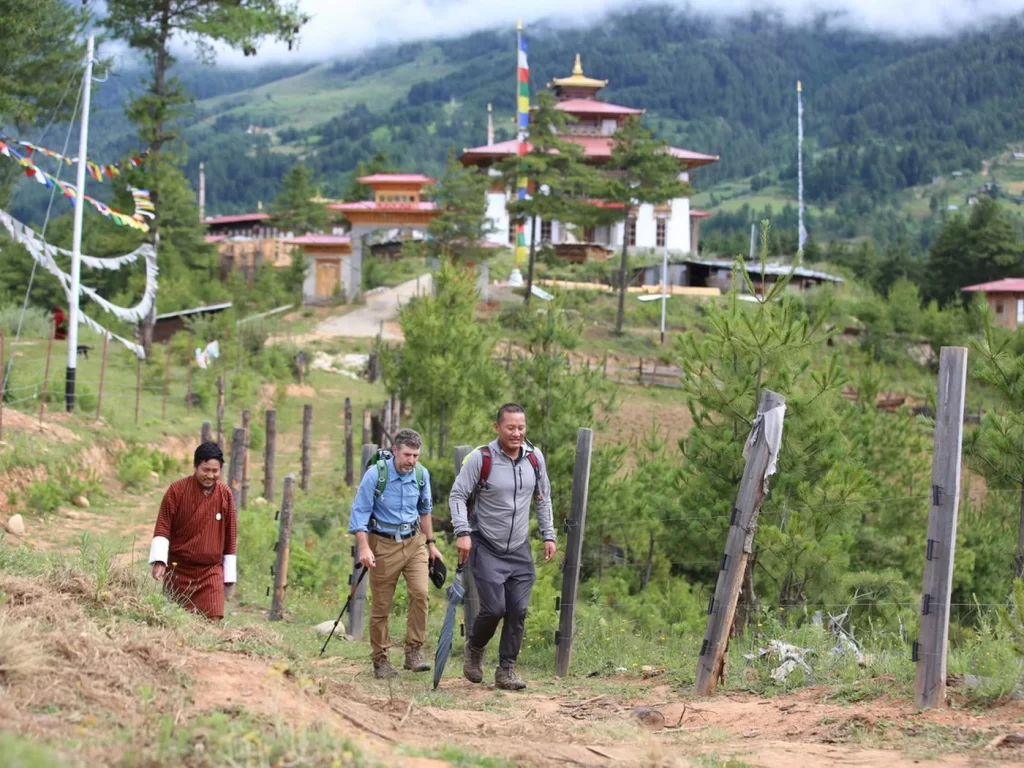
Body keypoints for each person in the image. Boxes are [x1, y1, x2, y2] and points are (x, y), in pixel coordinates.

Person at [449, 403, 557, 691]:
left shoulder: (534, 458)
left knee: (518, 609)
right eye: (510, 427)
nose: (516, 433)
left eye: (521, 427)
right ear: (497, 427)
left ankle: (506, 669)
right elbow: (457, 495)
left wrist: (548, 535)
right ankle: (474, 647)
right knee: (495, 608)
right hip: (485, 543)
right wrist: (462, 532)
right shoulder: (482, 459)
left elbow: (543, 497)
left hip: (519, 547)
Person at [349, 428, 442, 679]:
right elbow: (359, 512)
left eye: (416, 455)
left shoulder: (421, 474)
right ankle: (380, 659)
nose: (411, 461)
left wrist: (431, 544)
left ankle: (414, 652)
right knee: (382, 605)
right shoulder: (376, 475)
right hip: (382, 544)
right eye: (407, 455)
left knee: (420, 594)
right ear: (395, 451)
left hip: (414, 542)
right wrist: (364, 547)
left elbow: (425, 511)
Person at [148, 442, 237, 621]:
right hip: (178, 569)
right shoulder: (177, 491)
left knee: (213, 619)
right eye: (205, 470)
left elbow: (230, 535)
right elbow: (163, 525)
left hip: (211, 572)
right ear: (195, 467)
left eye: (215, 471)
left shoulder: (225, 494)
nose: (210, 475)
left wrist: (229, 574)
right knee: (175, 622)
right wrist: (160, 561)